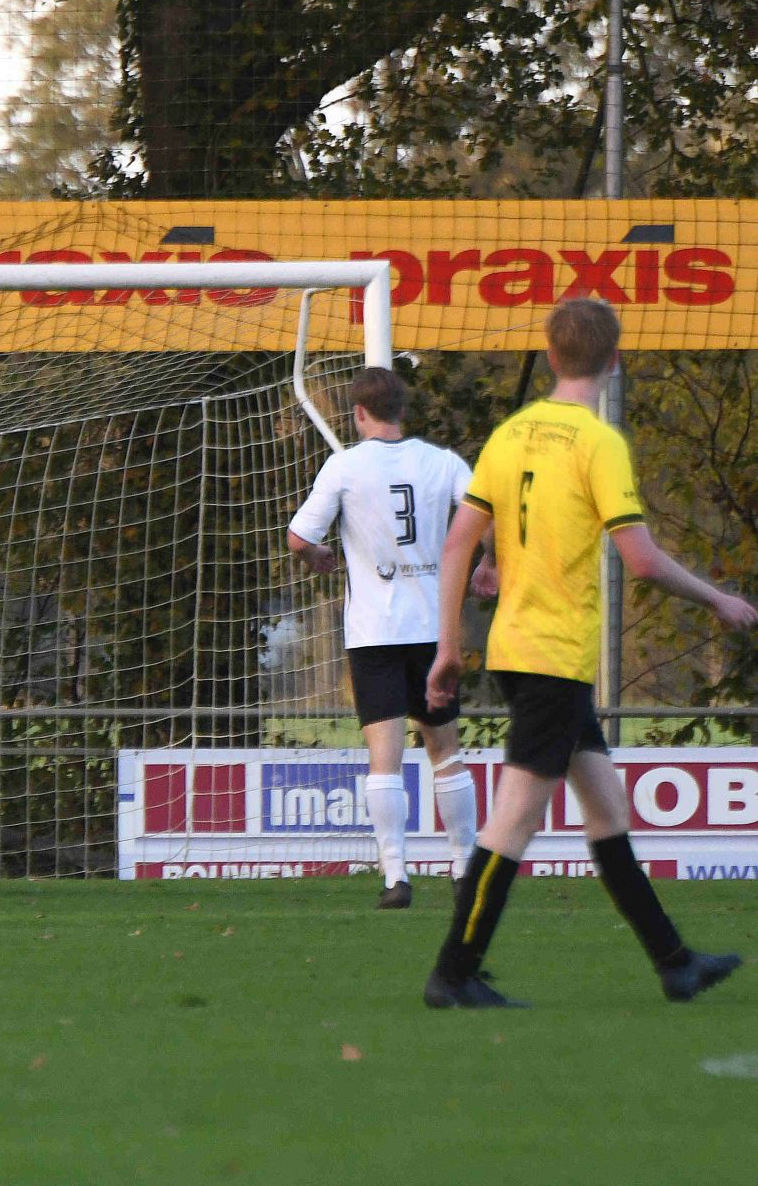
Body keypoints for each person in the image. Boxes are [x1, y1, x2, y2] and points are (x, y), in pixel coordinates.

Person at [422, 299, 755, 1009]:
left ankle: (675, 963)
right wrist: (718, 599)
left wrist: (450, 646)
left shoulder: (510, 435)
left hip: (517, 650)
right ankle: (453, 973)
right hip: (554, 656)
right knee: (515, 819)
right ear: (615, 360)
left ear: (550, 357)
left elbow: (458, 545)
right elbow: (641, 559)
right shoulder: (598, 443)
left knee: (606, 808)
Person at [285, 365, 484, 908]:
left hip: (373, 633)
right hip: (432, 630)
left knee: (384, 759)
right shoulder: (442, 462)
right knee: (445, 750)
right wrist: (487, 565)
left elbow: (298, 537)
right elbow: (485, 515)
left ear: (358, 414)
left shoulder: (345, 467)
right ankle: (465, 867)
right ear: (402, 410)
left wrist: (318, 554)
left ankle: (396, 877)